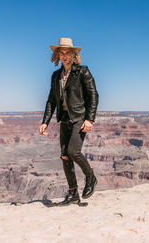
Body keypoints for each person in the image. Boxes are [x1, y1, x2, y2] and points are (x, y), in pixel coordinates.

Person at [39, 37, 99, 206]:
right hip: (64, 119)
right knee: (65, 156)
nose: (64, 56)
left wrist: (89, 119)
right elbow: (51, 100)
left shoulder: (82, 72)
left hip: (79, 119)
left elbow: (93, 95)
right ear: (57, 55)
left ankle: (91, 177)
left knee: (73, 151)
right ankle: (73, 193)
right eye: (61, 52)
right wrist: (45, 121)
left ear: (73, 55)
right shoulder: (56, 75)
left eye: (67, 53)